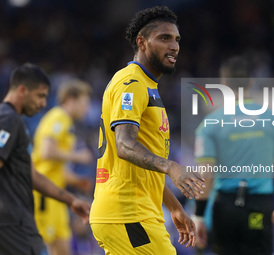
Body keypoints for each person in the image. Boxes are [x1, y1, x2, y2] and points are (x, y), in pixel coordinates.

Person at [89, 6, 205, 255]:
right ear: (141, 42)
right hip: (127, 213)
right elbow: (124, 145)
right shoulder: (131, 83)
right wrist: (170, 166)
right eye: (164, 38)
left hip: (136, 213)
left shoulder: (148, 86)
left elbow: (143, 165)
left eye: (176, 40)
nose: (174, 46)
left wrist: (174, 207)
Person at [193, 57, 274, 255]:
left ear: (223, 84)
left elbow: (206, 173)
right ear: (251, 82)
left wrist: (199, 216)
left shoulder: (210, 124)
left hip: (225, 208)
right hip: (259, 205)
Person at [0, 63, 91, 255]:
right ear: (22, 90)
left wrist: (71, 199)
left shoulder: (3, 117)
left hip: (13, 215)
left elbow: (31, 173)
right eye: (40, 96)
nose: (44, 103)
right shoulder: (9, 119)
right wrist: (78, 156)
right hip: (12, 217)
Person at [31, 80, 93, 255]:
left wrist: (76, 180)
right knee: (41, 247)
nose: (86, 108)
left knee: (63, 249)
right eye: (84, 103)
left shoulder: (67, 122)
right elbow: (45, 152)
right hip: (44, 194)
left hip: (57, 195)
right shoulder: (59, 117)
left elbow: (55, 167)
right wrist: (79, 156)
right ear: (70, 100)